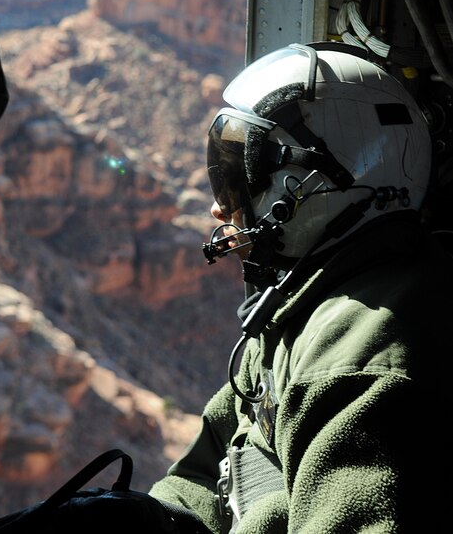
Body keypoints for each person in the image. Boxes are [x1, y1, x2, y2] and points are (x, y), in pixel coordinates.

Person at [147, 40, 451, 533]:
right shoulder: (305, 298)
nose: (218, 210)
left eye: (235, 181)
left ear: (311, 190)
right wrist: (145, 520)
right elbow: (216, 456)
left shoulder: (356, 367)